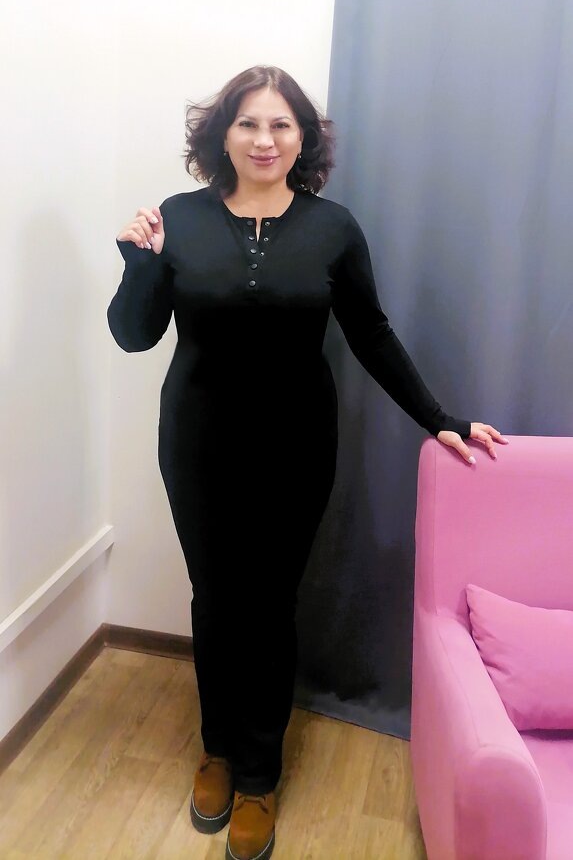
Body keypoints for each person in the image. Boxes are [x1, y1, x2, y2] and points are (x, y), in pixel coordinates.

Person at [107, 65, 507, 860]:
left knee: (269, 604)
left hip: (295, 446)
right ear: (221, 134)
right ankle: (218, 749)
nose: (264, 139)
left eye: (280, 124)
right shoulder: (178, 218)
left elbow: (371, 333)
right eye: (248, 123)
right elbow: (133, 334)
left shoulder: (332, 228)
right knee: (215, 599)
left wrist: (438, 419)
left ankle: (259, 773)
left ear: (302, 139)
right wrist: (139, 263)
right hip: (196, 443)